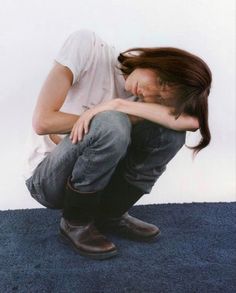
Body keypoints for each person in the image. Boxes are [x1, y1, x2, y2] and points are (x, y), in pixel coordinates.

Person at [23, 29, 212, 260]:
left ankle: (110, 214)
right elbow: (43, 122)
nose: (151, 93)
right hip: (47, 180)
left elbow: (193, 122)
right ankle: (76, 223)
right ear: (159, 61)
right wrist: (103, 119)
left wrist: (119, 105)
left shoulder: (137, 100)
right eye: (160, 81)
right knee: (111, 123)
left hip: (101, 185)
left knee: (169, 135)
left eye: (162, 100)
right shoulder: (89, 48)